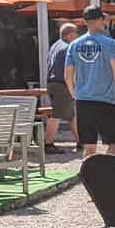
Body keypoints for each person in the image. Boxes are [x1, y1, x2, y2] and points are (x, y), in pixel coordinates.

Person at [64, 4, 115, 158]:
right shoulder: (111, 44)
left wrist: (76, 95)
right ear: (101, 20)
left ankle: (89, 181)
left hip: (83, 101)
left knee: (89, 149)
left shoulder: (74, 45)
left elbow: (68, 77)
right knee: (114, 146)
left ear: (85, 22)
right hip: (105, 102)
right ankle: (109, 178)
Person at [44, 22, 78, 152]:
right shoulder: (68, 48)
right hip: (61, 84)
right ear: (69, 35)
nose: (77, 37)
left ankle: (81, 141)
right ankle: (48, 144)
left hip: (52, 83)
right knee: (56, 114)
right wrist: (73, 89)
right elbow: (69, 71)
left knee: (72, 115)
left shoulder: (55, 46)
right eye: (76, 34)